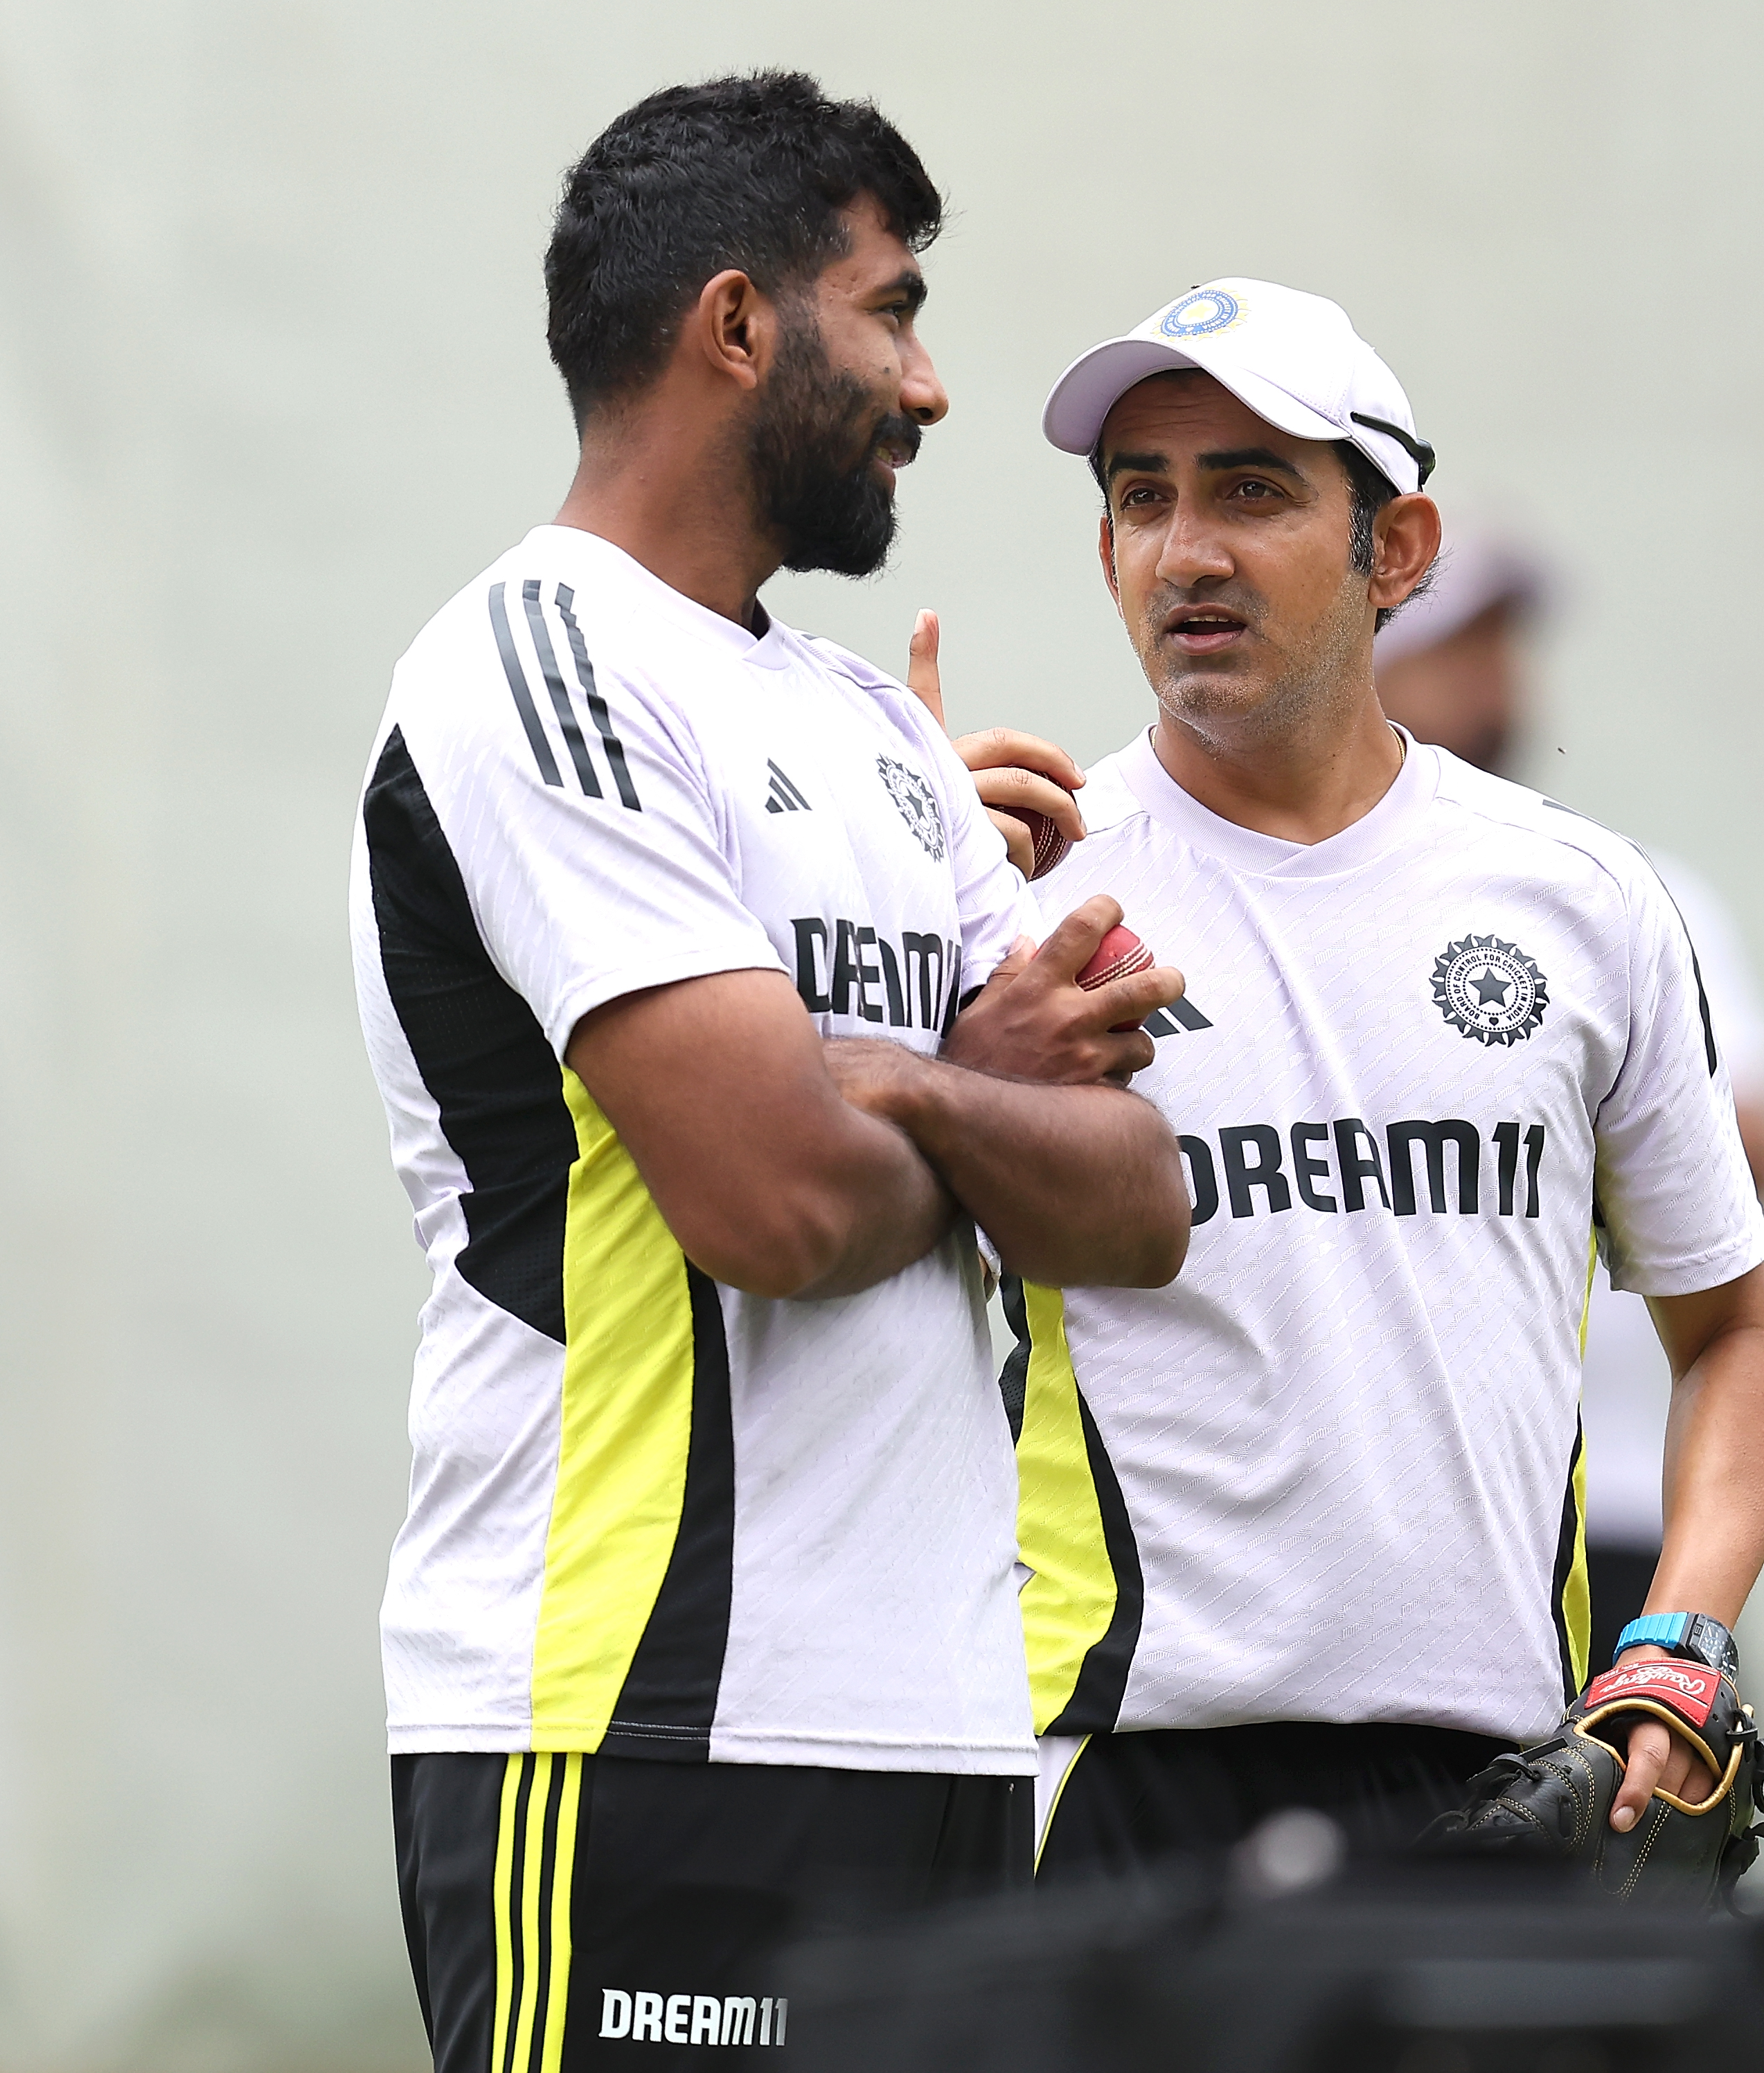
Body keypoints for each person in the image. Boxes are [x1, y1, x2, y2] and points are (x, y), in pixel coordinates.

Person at [348, 76, 1190, 2070]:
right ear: (738, 326)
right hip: (640, 1732)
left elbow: (1142, 1202)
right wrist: (962, 1093)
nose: (929, 385)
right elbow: (777, 1207)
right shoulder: (538, 666)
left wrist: (895, 1084)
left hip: (947, 1738)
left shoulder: (864, 728)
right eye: (889, 311)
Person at [982, 278, 1764, 1878]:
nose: (1185, 549)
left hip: (1495, 1791)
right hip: (1105, 1784)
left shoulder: (1586, 897)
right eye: (1140, 499)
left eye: (1252, 489)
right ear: (1103, 555)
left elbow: (1737, 1347)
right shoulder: (1006, 891)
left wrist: (1683, 1641)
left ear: (1398, 554)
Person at [1371, 528, 1764, 1658]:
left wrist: (1551, 1125)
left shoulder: (1621, 893)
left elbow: (1762, 1141)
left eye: (1503, 645)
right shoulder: (1273, 904)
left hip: (1615, 1505)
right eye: (1455, 645)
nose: (1494, 677)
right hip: (1381, 1547)